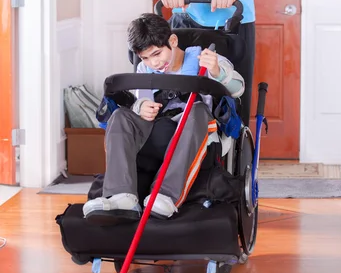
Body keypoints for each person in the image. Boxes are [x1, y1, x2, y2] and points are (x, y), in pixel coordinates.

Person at [83, 13, 244, 223]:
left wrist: (217, 71)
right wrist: (141, 107)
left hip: (197, 130)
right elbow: (141, 103)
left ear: (173, 41)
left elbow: (239, 89)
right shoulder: (145, 69)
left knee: (196, 110)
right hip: (159, 130)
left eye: (157, 54)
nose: (154, 63)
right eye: (145, 58)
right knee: (120, 115)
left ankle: (166, 195)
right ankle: (122, 197)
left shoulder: (204, 59)